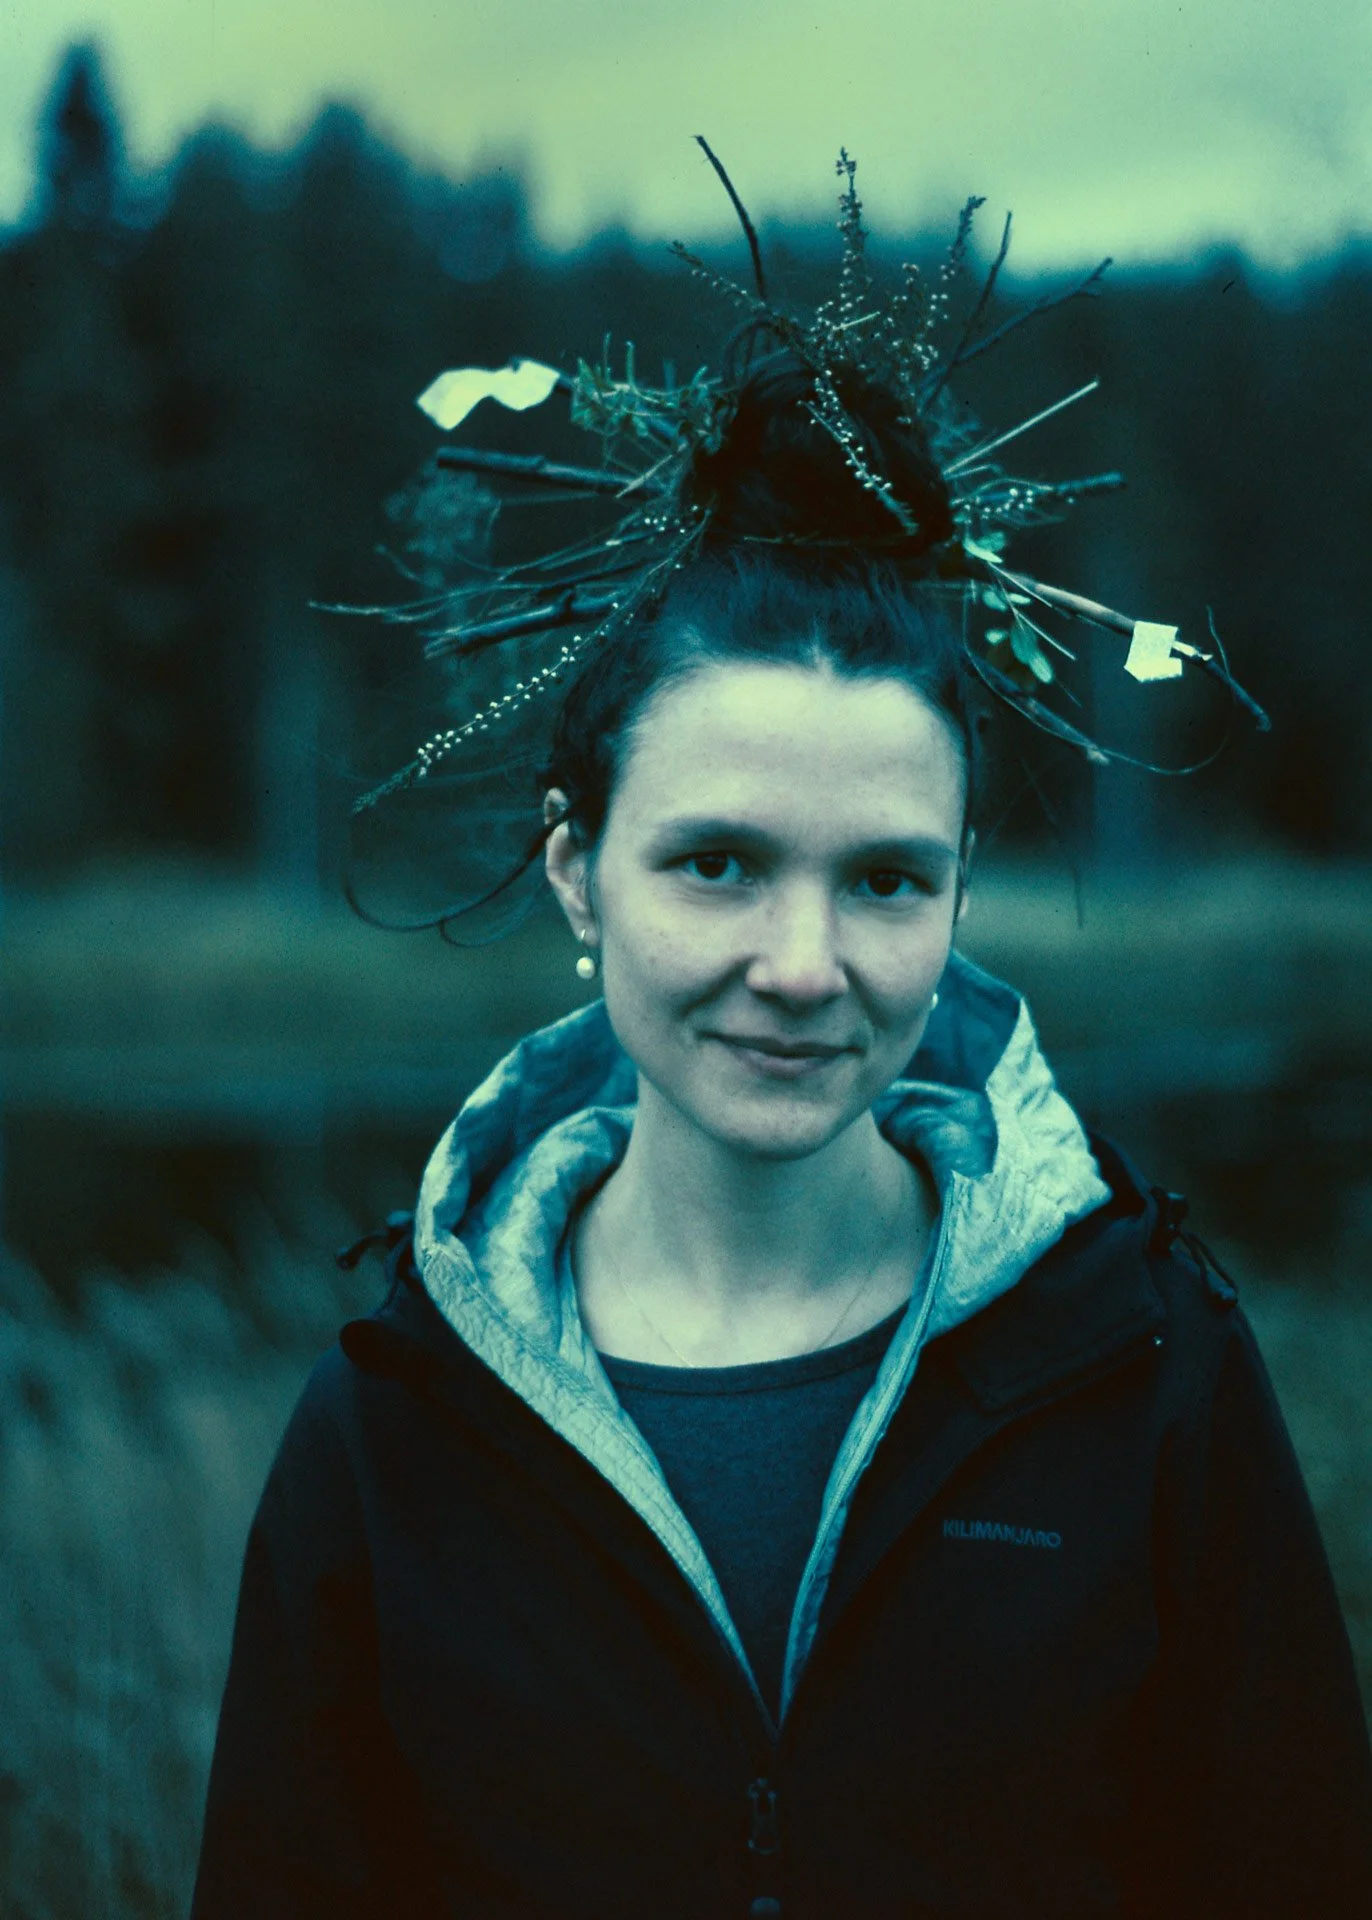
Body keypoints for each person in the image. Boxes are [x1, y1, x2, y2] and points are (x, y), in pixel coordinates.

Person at [191, 173, 1372, 1918]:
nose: (804, 967)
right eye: (719, 862)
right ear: (578, 868)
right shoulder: (398, 1418)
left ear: (961, 889)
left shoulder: (1140, 1366)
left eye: (886, 879)